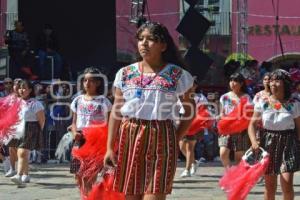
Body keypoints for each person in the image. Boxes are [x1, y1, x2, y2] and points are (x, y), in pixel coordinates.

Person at [104, 21, 195, 200]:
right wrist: (109, 147)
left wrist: (175, 137)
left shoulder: (178, 75)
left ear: (163, 46)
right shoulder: (124, 73)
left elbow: (190, 111)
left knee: (154, 195)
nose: (144, 43)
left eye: (151, 39)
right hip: (129, 136)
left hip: (162, 134)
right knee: (131, 196)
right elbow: (116, 111)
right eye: (140, 39)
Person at [248, 69, 300, 200]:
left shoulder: (294, 103)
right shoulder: (262, 101)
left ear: (285, 84)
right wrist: (254, 141)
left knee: (287, 184)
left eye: (277, 81)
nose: (272, 84)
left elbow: (299, 127)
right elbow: (252, 125)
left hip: (289, 143)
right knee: (270, 186)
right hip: (268, 143)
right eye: (271, 81)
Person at [70, 67, 112, 194]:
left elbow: (109, 123)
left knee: (89, 177)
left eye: (91, 81)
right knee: (78, 177)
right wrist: (74, 132)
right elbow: (73, 122)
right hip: (79, 140)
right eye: (85, 80)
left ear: (98, 83)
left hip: (95, 142)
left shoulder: (104, 101)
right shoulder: (77, 100)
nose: (87, 83)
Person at [10, 80, 45, 185]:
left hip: (31, 128)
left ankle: (18, 175)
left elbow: (42, 119)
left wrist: (38, 132)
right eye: (20, 87)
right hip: (19, 128)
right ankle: (26, 174)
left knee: (22, 152)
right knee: (21, 153)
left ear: (30, 90)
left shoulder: (36, 103)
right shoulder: (17, 102)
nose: (21, 90)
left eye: (24, 87)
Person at [218, 73, 252, 169]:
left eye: (235, 81)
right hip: (226, 128)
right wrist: (220, 118)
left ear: (241, 83)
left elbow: (249, 114)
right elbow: (222, 112)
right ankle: (229, 174)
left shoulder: (246, 97)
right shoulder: (224, 97)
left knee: (239, 158)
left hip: (241, 130)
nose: (232, 83)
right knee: (223, 153)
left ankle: (236, 179)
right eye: (231, 81)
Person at [179, 84, 207, 177]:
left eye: (192, 85)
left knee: (189, 147)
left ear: (195, 86)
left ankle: (187, 169)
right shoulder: (182, 95)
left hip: (195, 122)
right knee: (182, 146)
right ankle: (193, 162)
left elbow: (205, 110)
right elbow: (178, 109)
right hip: (183, 120)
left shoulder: (200, 97)